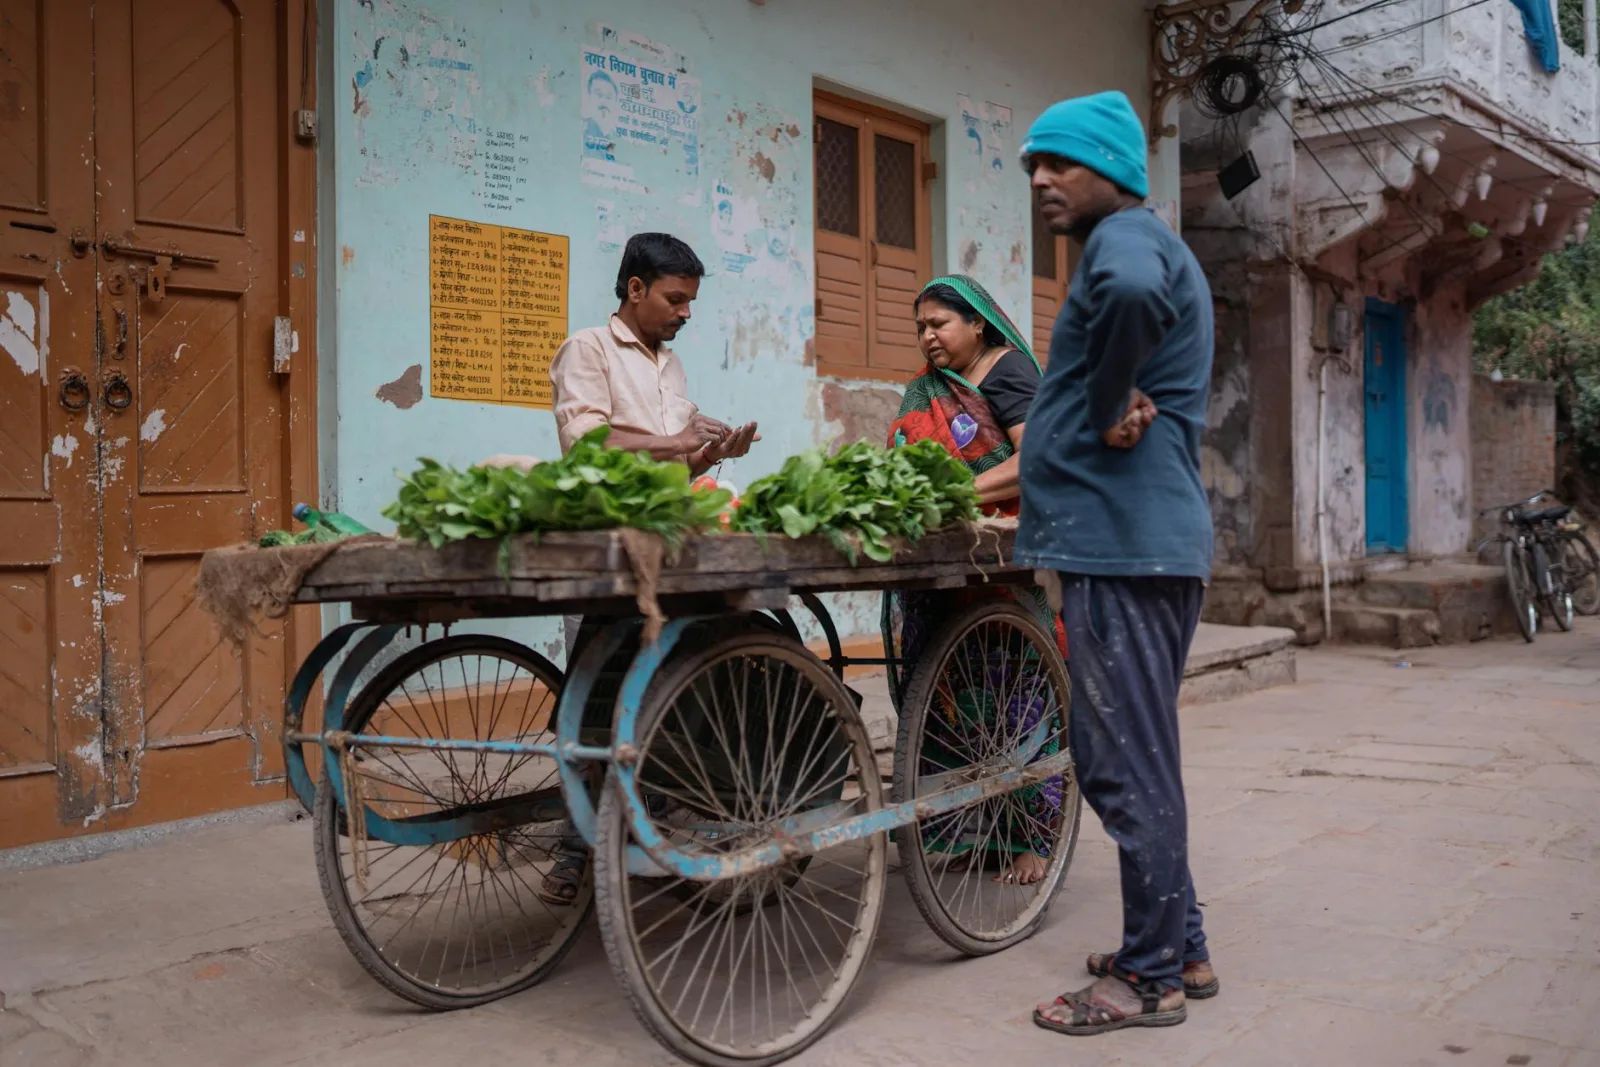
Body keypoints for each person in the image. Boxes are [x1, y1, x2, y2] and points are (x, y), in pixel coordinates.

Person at [1015, 91, 1218, 1036]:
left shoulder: (1126, 242)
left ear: (1114, 171)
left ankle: (1147, 979)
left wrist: (1101, 403)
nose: (1042, 180)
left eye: (1059, 163)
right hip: (1140, 539)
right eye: (1031, 167)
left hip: (1120, 542)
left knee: (1121, 761)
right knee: (1146, 753)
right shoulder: (1141, 240)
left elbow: (1133, 299)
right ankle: (1183, 943)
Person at [535, 232, 759, 906]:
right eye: (674, 298)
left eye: (691, 300)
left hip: (672, 542)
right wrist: (672, 440)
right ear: (635, 289)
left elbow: (676, 460)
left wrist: (713, 448)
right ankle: (575, 848)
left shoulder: (671, 367)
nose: (685, 312)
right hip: (612, 543)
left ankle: (657, 826)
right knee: (599, 695)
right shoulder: (588, 348)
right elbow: (586, 438)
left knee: (676, 689)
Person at [882, 274, 1067, 886]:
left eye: (939, 324)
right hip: (941, 561)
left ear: (978, 323)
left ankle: (1032, 838)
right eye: (920, 328)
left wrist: (955, 490)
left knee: (1013, 692)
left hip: (1000, 563)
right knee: (948, 699)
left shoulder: (1009, 372)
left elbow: (1033, 459)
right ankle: (971, 832)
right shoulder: (926, 392)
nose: (927, 336)